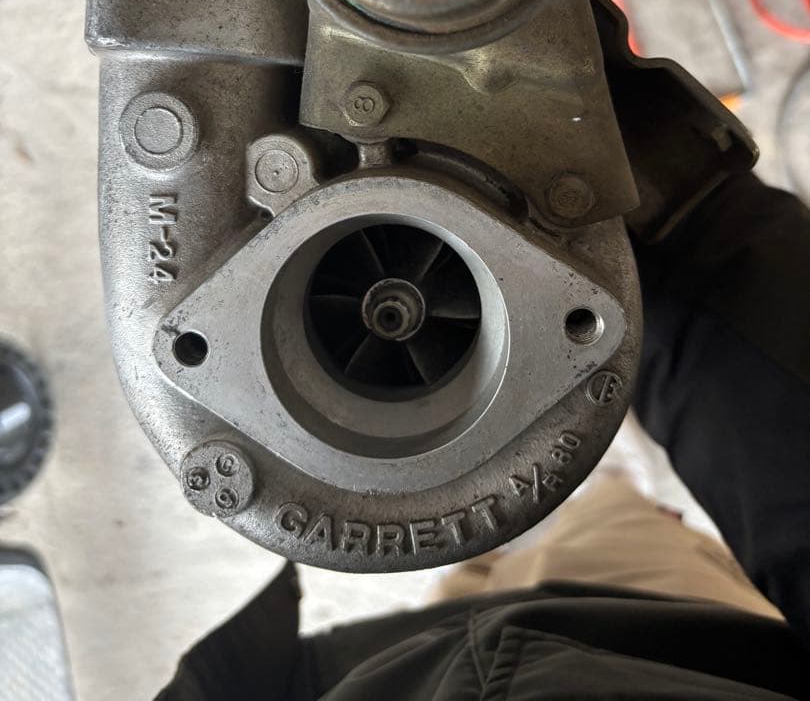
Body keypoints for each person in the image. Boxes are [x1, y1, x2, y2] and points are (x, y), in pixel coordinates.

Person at [156, 172, 810, 700]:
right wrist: (691, 232)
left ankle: (546, 494)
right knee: (614, 527)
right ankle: (591, 482)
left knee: (499, 555)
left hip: (413, 664)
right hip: (657, 636)